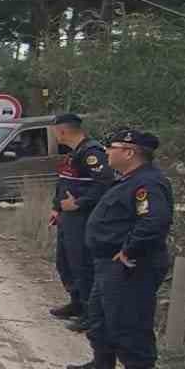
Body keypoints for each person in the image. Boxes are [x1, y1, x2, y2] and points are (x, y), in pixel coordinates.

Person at [66, 129, 173, 369]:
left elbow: (153, 222)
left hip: (131, 265)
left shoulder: (147, 184)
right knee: (101, 315)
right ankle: (102, 365)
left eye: (111, 147)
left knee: (130, 319)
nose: (106, 152)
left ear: (129, 152)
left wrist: (129, 249)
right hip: (107, 264)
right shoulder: (128, 180)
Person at [47, 114, 112, 331]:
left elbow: (105, 184)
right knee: (65, 262)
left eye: (54, 131)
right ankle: (76, 302)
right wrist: (57, 207)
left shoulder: (92, 153)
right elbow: (64, 182)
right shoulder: (74, 153)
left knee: (82, 264)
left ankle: (89, 313)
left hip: (83, 218)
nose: (54, 135)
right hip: (68, 217)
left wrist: (80, 203)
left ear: (62, 131)